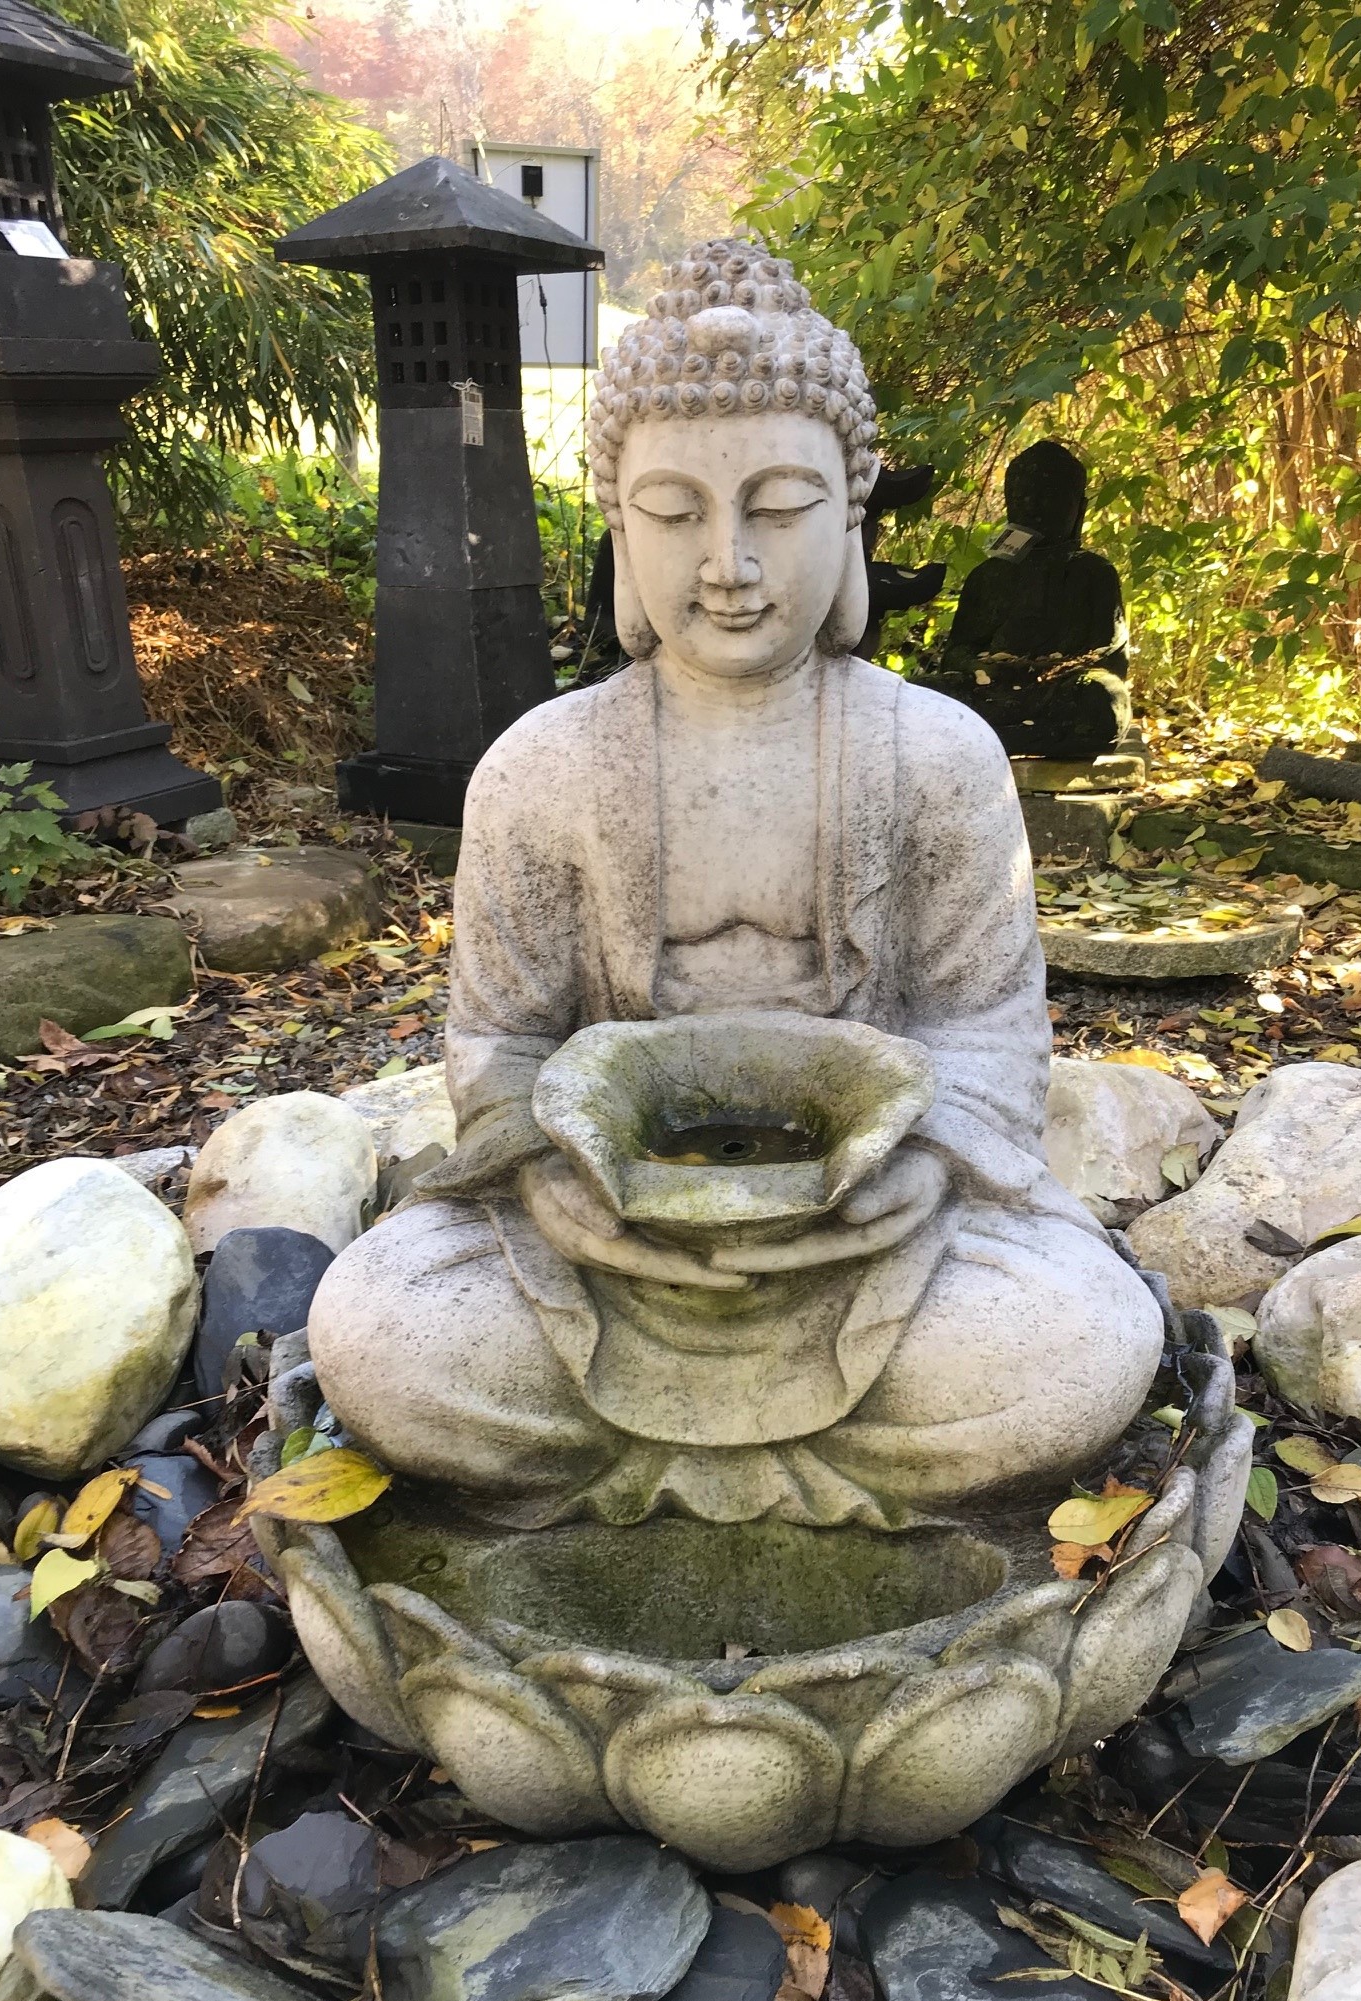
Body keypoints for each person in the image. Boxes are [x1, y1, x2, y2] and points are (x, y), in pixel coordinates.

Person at [306, 243, 1161, 1532]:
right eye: (673, 512)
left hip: (878, 1235)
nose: (728, 562)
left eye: (777, 507)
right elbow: (500, 1045)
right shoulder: (541, 767)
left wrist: (918, 1170)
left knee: (1073, 1340)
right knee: (384, 1337)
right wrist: (570, 1188)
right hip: (607, 1246)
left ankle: (632, 1485)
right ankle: (819, 1485)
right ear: (616, 528)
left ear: (852, 517)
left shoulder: (938, 755)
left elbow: (989, 1034)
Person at [933, 439, 1131, 758]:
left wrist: (1056, 668)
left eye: (1051, 498)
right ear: (1009, 502)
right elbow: (956, 651)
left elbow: (1110, 659)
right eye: (1026, 497)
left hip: (1062, 692)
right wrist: (981, 666)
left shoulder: (1095, 573)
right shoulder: (988, 576)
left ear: (1079, 509)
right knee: (925, 693)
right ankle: (1019, 738)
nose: (1037, 508)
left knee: (1102, 700)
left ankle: (987, 740)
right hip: (993, 690)